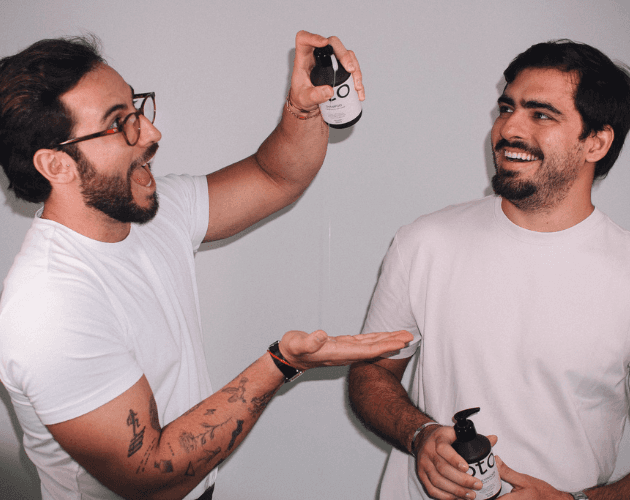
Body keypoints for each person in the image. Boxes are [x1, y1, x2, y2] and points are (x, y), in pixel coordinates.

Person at [0, 31, 412, 500]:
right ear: (56, 166)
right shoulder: (46, 308)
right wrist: (281, 364)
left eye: (136, 109)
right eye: (119, 123)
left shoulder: (152, 210)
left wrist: (304, 107)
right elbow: (151, 477)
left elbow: (275, 175)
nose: (151, 133)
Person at [347, 39, 630, 500]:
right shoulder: (425, 242)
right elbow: (371, 374)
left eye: (541, 114)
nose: (508, 128)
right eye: (507, 108)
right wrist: (419, 435)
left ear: (596, 142)